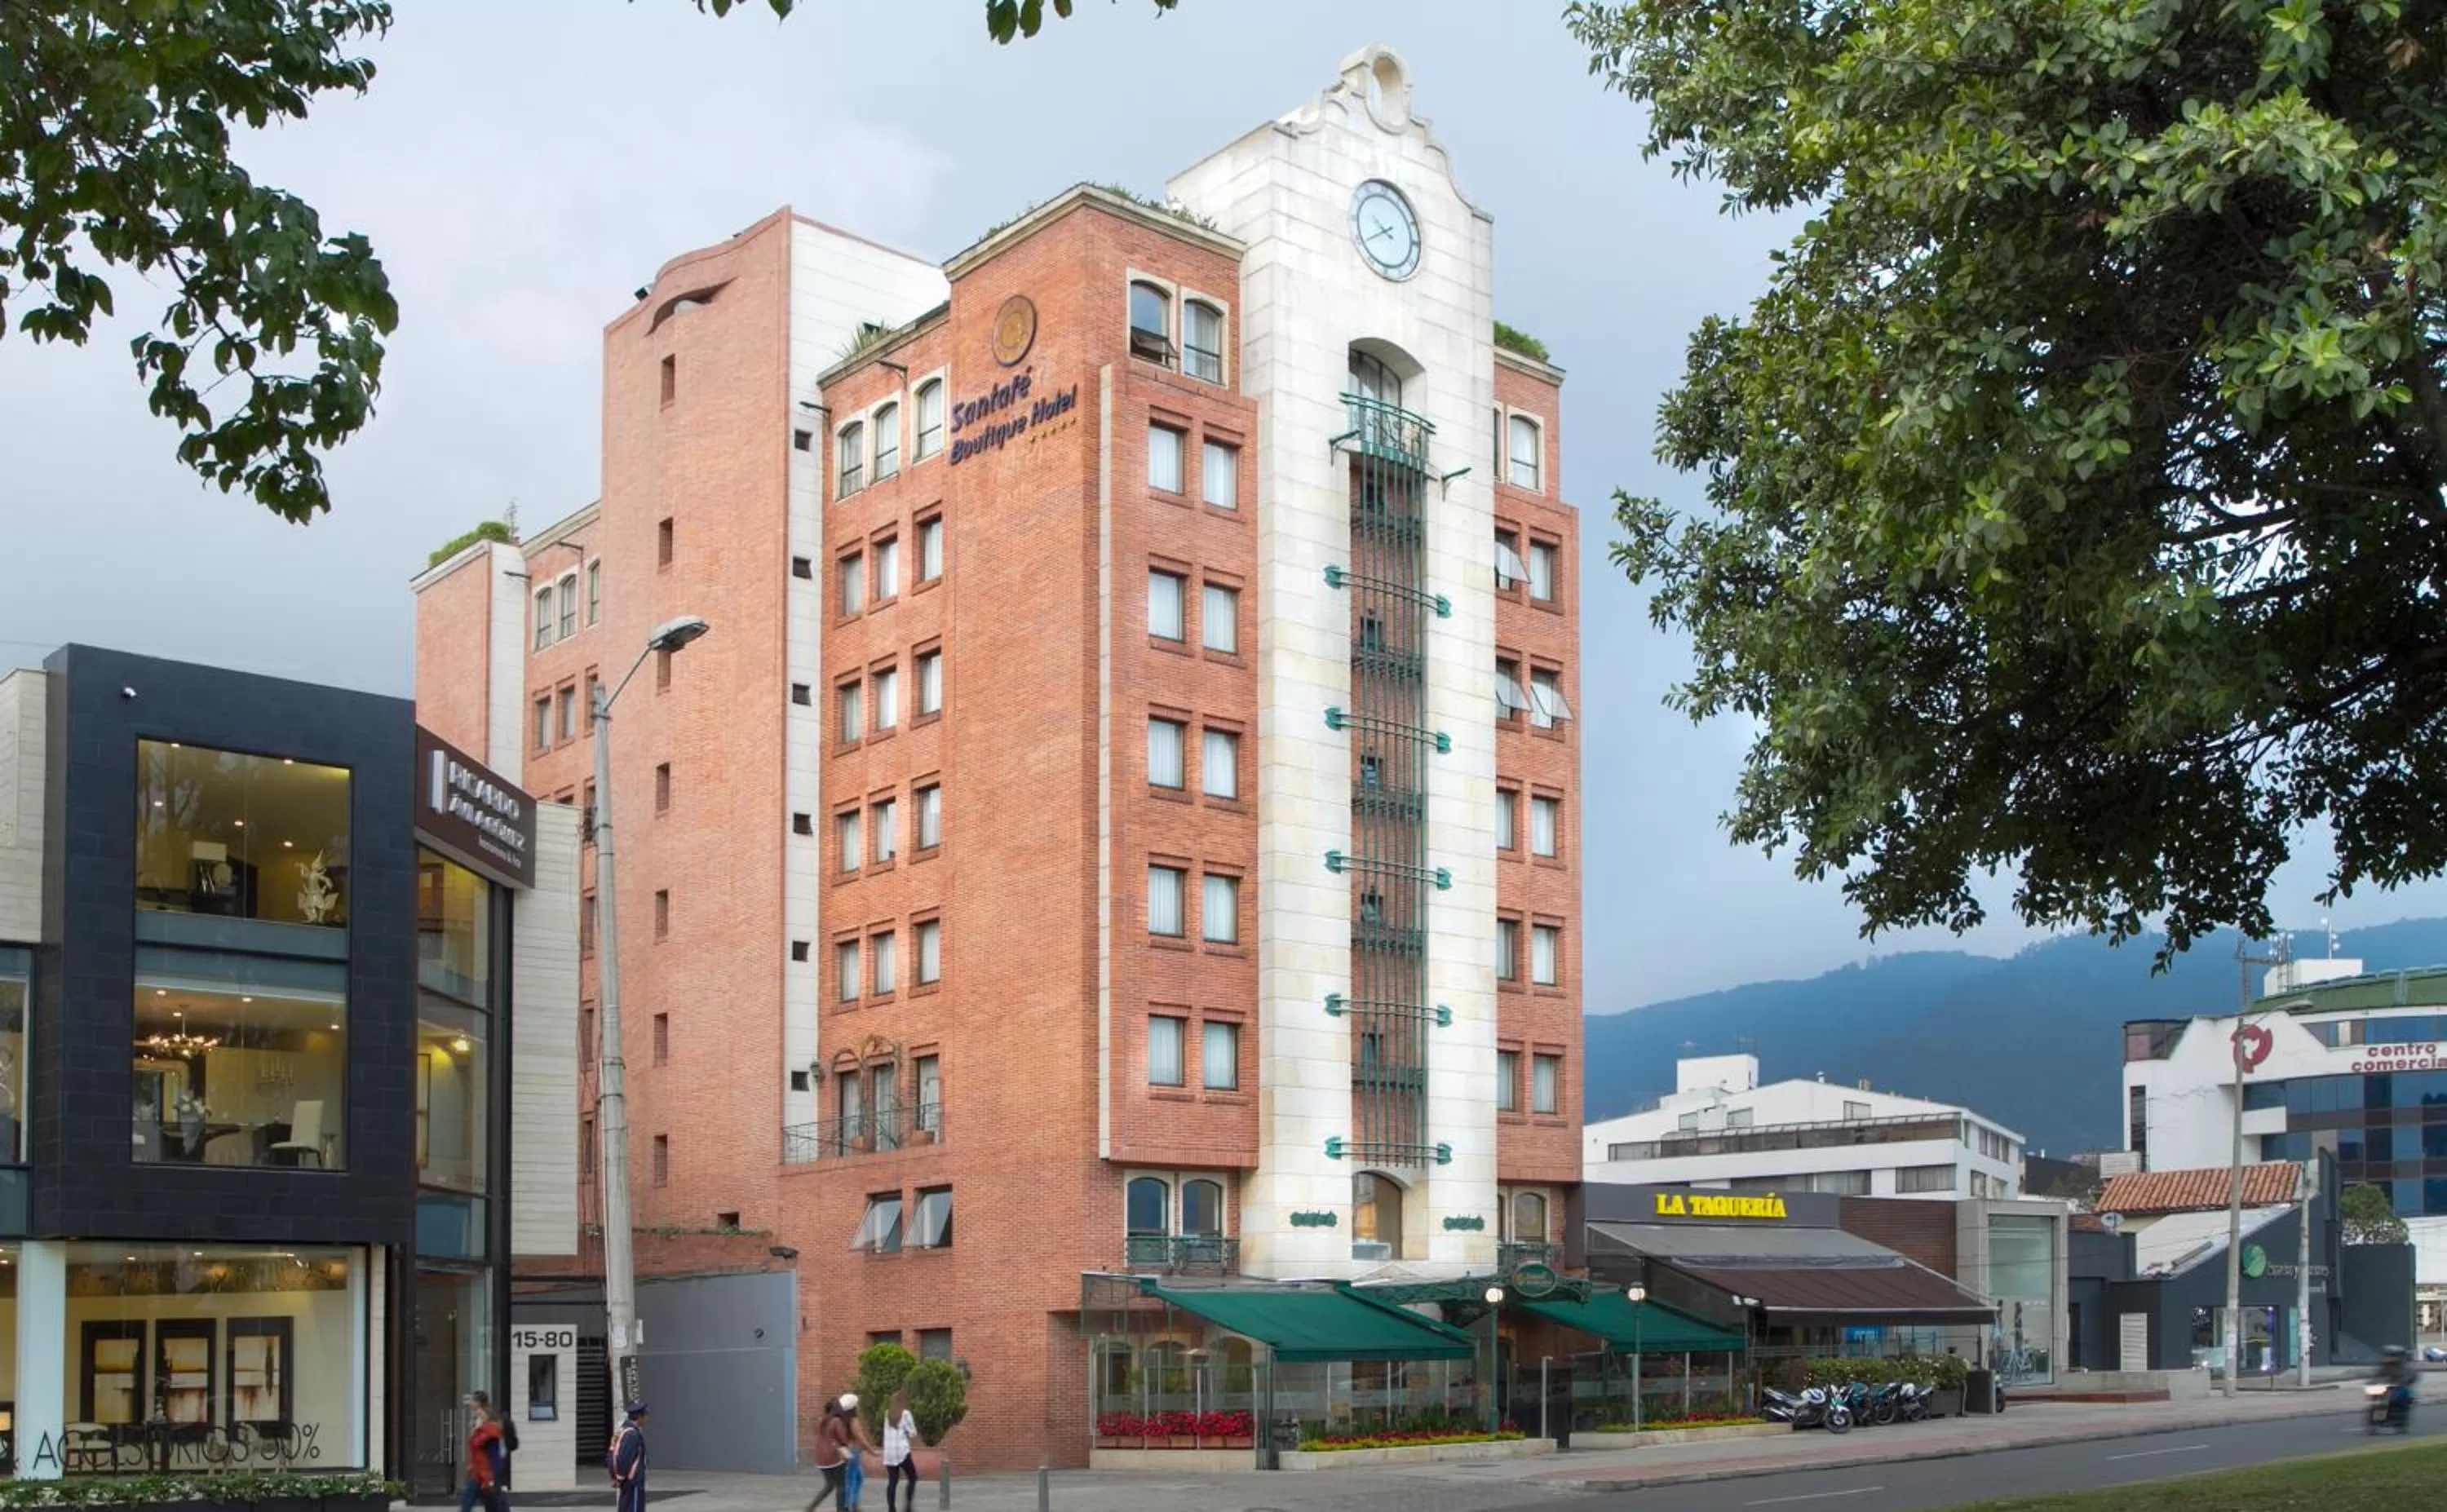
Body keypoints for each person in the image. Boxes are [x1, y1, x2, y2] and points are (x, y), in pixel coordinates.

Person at [805, 1399, 852, 1512]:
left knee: (829, 1485)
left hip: (821, 1458)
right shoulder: (836, 1421)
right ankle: (841, 1510)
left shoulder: (820, 1421)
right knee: (841, 1485)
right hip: (835, 1457)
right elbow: (843, 1439)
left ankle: (811, 1507)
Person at [464, 1393, 507, 1512]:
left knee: (493, 1500)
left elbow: (491, 1451)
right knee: (492, 1501)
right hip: (480, 1470)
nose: (470, 1403)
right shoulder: (479, 1423)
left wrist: (493, 1473)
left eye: (472, 1400)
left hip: (485, 1471)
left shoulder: (490, 1428)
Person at [880, 1389, 920, 1512]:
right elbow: (913, 1432)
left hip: (889, 1453)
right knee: (913, 1477)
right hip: (902, 1451)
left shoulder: (887, 1413)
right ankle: (908, 1506)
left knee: (892, 1481)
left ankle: (891, 1509)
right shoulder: (906, 1414)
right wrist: (908, 1432)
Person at [839, 1394, 878, 1512]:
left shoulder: (844, 1419)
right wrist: (872, 1451)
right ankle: (848, 1506)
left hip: (851, 1451)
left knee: (858, 1477)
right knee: (852, 1478)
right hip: (853, 1452)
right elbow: (860, 1437)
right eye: (857, 1404)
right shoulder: (853, 1420)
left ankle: (854, 1504)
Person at [610, 1402, 648, 1512]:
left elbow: (612, 1452)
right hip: (633, 1481)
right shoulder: (632, 1434)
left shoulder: (623, 1431)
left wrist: (615, 1476)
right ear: (639, 1417)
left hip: (628, 1480)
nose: (647, 1418)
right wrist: (620, 1477)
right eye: (645, 1415)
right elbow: (624, 1458)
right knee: (633, 1508)